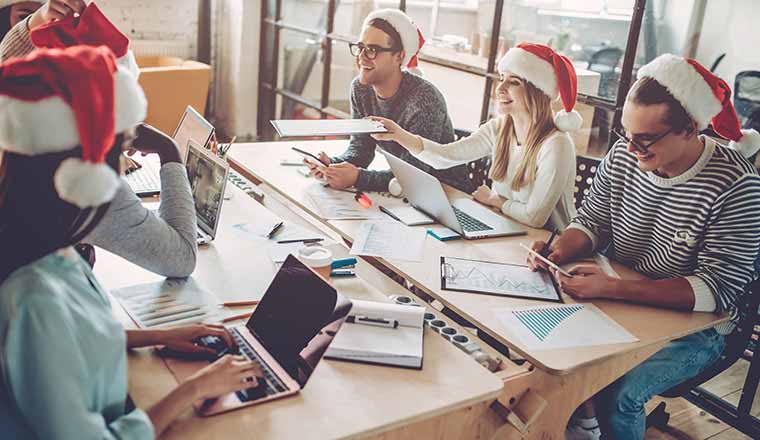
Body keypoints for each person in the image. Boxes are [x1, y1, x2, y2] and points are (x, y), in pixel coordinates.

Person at [0, 45, 261, 439]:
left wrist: (159, 336)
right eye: (120, 152)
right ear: (79, 172)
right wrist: (194, 388)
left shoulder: (49, 246)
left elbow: (63, 347)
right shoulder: (35, 296)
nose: (124, 166)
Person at [528, 54, 760, 440]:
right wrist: (559, 250)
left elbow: (715, 289)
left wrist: (611, 288)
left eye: (645, 139)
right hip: (619, 299)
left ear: (690, 128)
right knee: (540, 352)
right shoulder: (624, 154)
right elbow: (592, 221)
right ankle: (579, 424)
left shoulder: (737, 184)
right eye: (626, 135)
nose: (631, 148)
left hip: (701, 329)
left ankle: (592, 421)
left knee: (619, 393)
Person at [2, 2, 199, 277]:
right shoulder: (87, 190)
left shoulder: (12, 157)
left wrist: (38, 20)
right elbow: (181, 259)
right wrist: (169, 151)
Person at [370, 43, 581, 230]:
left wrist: (495, 200)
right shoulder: (500, 128)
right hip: (508, 230)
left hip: (550, 247)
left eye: (514, 82)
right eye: (502, 79)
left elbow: (535, 218)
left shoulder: (556, 144)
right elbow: (445, 157)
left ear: (538, 92)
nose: (501, 88)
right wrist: (398, 135)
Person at [306, 9, 474, 194]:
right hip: (402, 193)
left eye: (372, 50)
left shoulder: (425, 100)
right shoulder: (361, 89)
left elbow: (414, 174)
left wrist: (358, 178)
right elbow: (361, 149)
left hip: (448, 195)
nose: (361, 56)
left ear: (399, 56)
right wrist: (332, 166)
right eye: (360, 47)